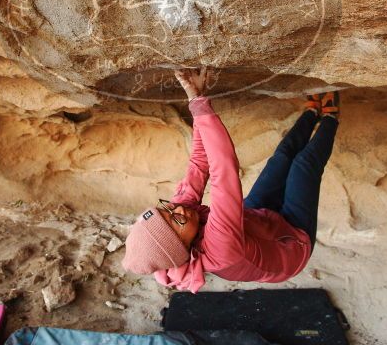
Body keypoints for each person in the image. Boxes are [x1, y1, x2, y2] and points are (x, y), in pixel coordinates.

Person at [121, 68, 340, 293]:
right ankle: (331, 117)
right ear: (183, 247)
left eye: (165, 209)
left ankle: (312, 112)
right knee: (303, 166)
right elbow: (224, 170)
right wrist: (197, 103)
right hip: (291, 242)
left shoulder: (179, 213)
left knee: (281, 158)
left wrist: (197, 96)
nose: (179, 210)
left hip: (255, 222)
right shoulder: (221, 249)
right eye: (175, 220)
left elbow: (199, 161)